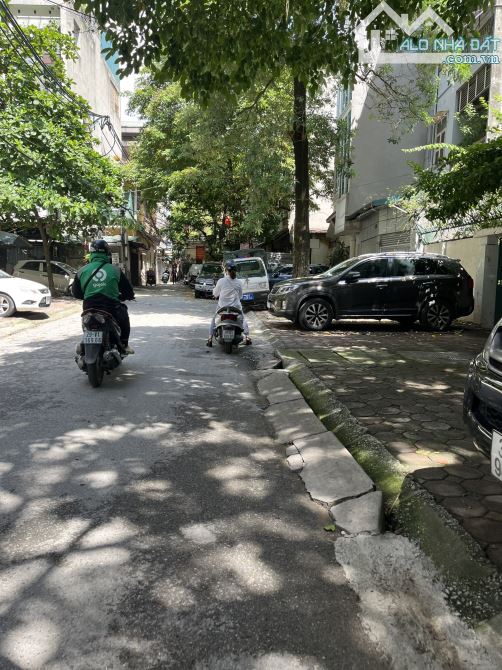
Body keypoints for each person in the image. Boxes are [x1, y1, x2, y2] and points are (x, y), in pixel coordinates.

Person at [72, 239, 136, 355]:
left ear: (91, 253)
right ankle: (124, 344)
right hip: (111, 308)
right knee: (124, 314)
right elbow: (128, 291)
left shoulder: (81, 271)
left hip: (89, 307)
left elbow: (76, 293)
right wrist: (127, 296)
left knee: (87, 324)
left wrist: (88, 295)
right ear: (107, 253)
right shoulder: (115, 270)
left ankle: (84, 343)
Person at [206, 260, 251, 347]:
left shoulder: (221, 281)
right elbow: (240, 296)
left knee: (214, 319)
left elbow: (215, 293)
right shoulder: (239, 282)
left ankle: (210, 338)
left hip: (222, 307)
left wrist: (215, 294)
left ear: (226, 270)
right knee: (243, 319)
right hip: (236, 308)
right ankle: (248, 337)